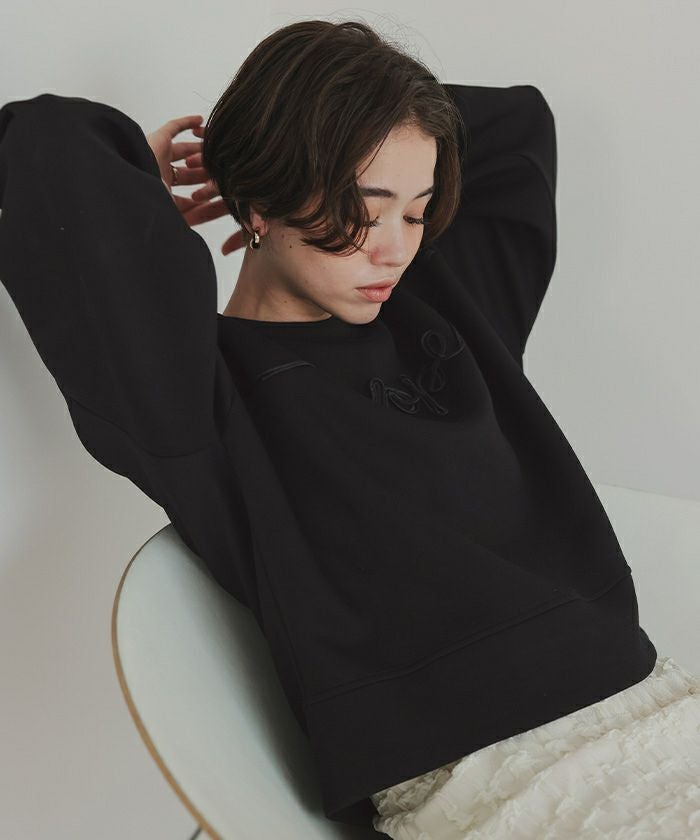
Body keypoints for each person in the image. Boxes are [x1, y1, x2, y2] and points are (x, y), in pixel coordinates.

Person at [1, 18, 698, 839]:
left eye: (418, 211)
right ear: (262, 202)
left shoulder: (450, 310)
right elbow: (43, 148)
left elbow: (518, 127)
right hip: (492, 784)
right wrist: (218, 170)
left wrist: (300, 156)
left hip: (654, 710)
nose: (395, 250)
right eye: (363, 211)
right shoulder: (202, 401)